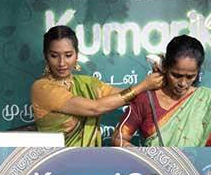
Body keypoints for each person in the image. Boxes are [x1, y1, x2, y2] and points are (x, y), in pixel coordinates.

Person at [31, 25, 164, 147]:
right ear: (46, 56)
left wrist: (156, 79)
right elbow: (95, 108)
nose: (62, 63)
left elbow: (128, 96)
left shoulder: (88, 83)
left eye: (68, 55)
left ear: (77, 55)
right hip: (54, 163)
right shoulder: (42, 88)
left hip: (93, 160)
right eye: (54, 55)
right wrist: (144, 85)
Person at [111, 35, 211, 147]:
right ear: (165, 67)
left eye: (190, 77)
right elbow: (119, 139)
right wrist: (149, 159)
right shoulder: (146, 100)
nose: (182, 83)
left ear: (198, 72)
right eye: (176, 75)